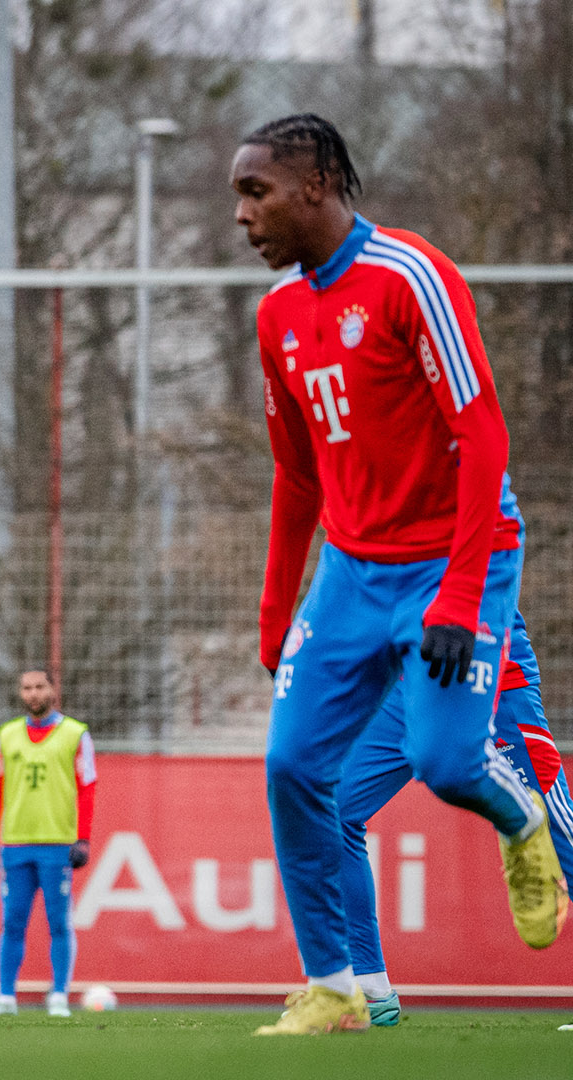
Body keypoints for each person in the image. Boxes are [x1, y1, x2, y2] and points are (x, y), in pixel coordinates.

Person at [232, 113, 565, 1036]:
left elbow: (482, 433)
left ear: (315, 185)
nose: (242, 215)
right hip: (350, 575)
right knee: (294, 768)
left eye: (254, 193)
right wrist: (275, 611)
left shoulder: (409, 276)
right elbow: (297, 476)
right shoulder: (277, 316)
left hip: (458, 560)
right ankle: (336, 985)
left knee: (446, 761)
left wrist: (460, 593)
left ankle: (521, 820)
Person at [337, 613, 573, 1026]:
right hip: (409, 674)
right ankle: (370, 992)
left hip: (484, 663)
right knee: (333, 811)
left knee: (559, 833)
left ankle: (521, 814)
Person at [0, 670, 95, 1019]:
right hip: (15, 843)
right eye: (27, 687)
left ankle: (58, 994)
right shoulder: (7, 735)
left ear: (53, 690)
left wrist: (83, 838)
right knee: (13, 923)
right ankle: (6, 996)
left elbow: (87, 787)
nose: (33, 693)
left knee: (59, 922)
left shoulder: (75, 734)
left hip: (57, 842)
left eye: (39, 686)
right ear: (20, 693)